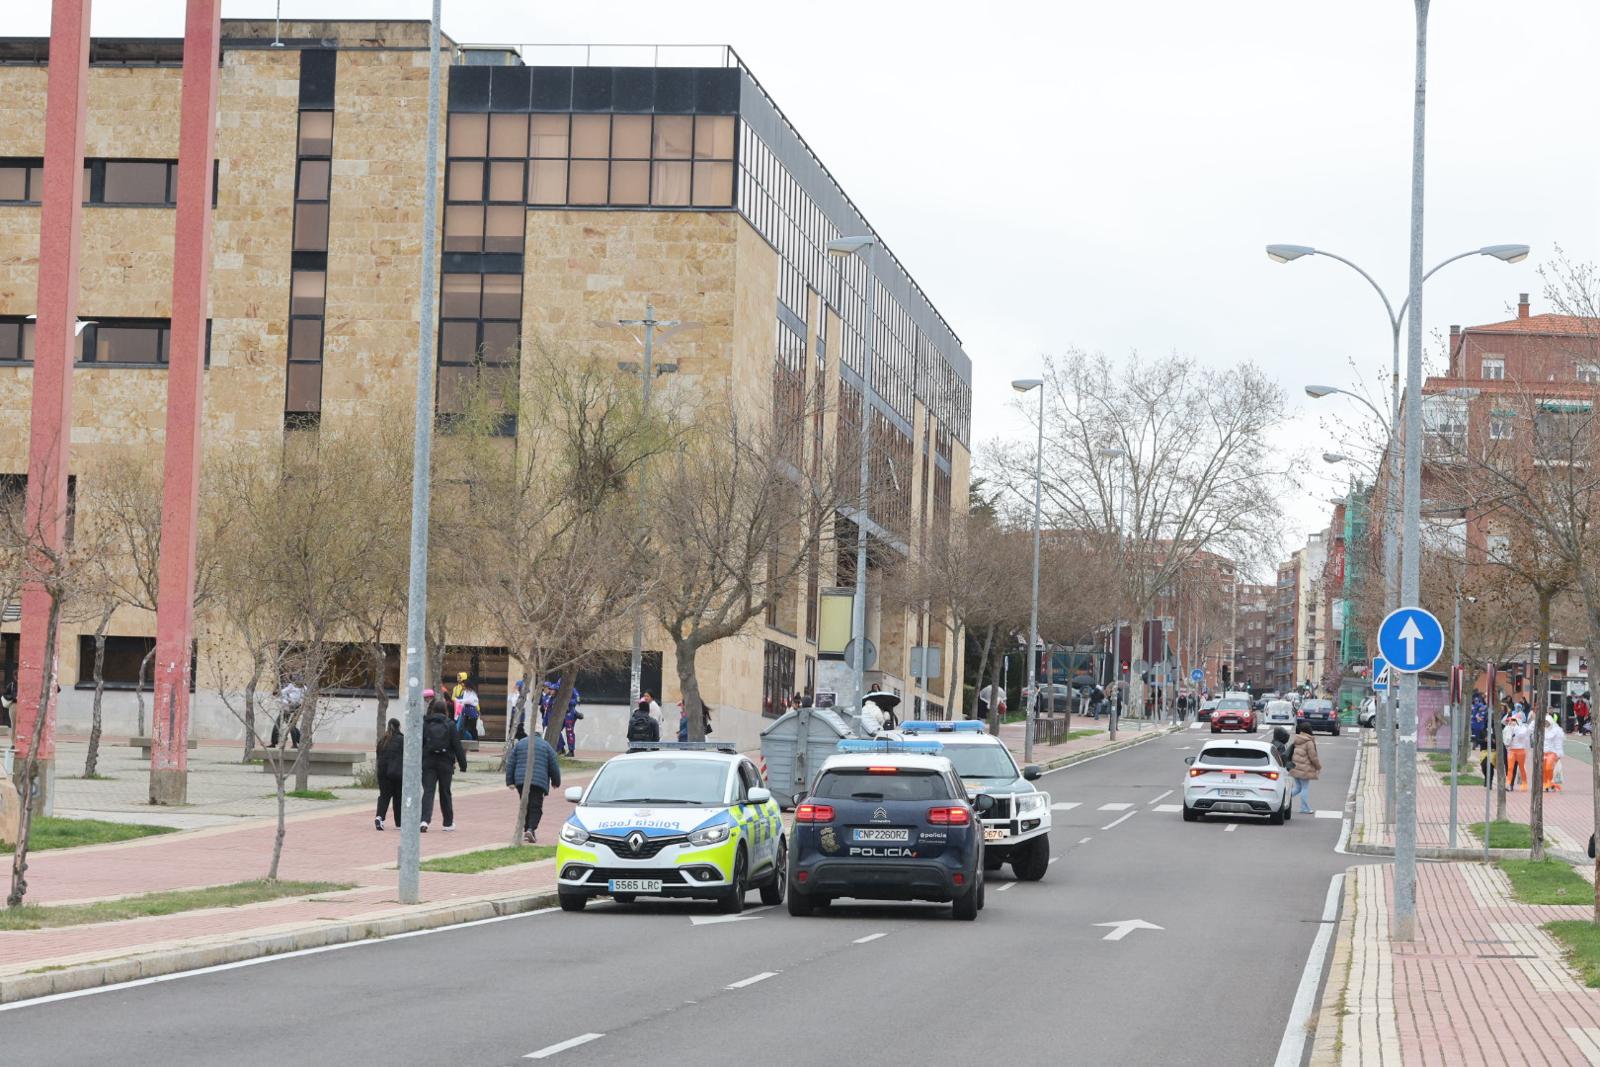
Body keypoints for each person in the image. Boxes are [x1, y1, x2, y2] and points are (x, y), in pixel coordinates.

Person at [505, 724, 561, 843]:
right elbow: (553, 765)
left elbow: (511, 762)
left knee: (525, 804)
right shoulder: (546, 746)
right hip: (538, 782)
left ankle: (527, 830)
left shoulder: (520, 744)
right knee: (536, 806)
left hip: (521, 780)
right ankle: (530, 829)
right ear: (541, 733)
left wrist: (510, 781)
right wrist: (556, 781)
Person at [419, 695, 467, 832]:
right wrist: (463, 765)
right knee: (445, 792)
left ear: (433, 710)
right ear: (446, 710)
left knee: (428, 791)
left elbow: (421, 743)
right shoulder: (450, 725)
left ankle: (424, 820)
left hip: (428, 762)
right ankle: (447, 823)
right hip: (445, 763)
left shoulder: (426, 723)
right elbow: (457, 746)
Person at [374, 718, 404, 831]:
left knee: (384, 796)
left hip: (382, 772)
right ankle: (399, 823)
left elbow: (378, 756)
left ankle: (379, 817)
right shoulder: (402, 739)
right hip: (396, 772)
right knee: (398, 797)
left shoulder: (382, 740)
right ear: (398, 727)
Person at [1287, 720, 1322, 815]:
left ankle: (1284, 799)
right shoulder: (1308, 742)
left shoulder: (1297, 739)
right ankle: (1304, 808)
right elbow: (1313, 757)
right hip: (1304, 768)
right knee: (1305, 788)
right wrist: (1318, 767)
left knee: (1298, 787)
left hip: (1295, 767)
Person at [271, 680, 304, 749]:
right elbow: (284, 692)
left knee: (290, 726)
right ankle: (298, 741)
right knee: (288, 726)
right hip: (286, 708)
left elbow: (299, 701)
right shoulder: (291, 687)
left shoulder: (302, 690)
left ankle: (297, 742)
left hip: (291, 709)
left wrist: (289, 701)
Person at [1504, 714, 1531, 791]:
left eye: (1514, 721)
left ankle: (1524, 783)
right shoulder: (1508, 728)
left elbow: (1521, 735)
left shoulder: (1523, 728)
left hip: (1520, 750)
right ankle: (1508, 784)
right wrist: (1509, 729)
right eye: (1511, 720)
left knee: (1522, 768)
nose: (1512, 722)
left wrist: (1514, 728)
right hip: (1511, 750)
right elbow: (1506, 738)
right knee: (1510, 768)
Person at [1543, 715, 1565, 792]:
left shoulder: (1556, 731)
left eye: (1547, 722)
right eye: (1544, 722)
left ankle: (1549, 783)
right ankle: (1547, 784)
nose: (1546, 724)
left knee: (1549, 767)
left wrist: (1559, 754)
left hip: (1552, 753)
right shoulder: (1542, 730)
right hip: (1544, 753)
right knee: (1543, 769)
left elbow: (1559, 743)